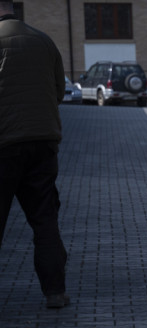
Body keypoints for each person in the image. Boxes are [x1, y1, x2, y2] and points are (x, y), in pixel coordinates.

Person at [0, 1, 70, 309]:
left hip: (4, 145)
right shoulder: (43, 40)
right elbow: (58, 91)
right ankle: (55, 292)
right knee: (45, 221)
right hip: (43, 144)